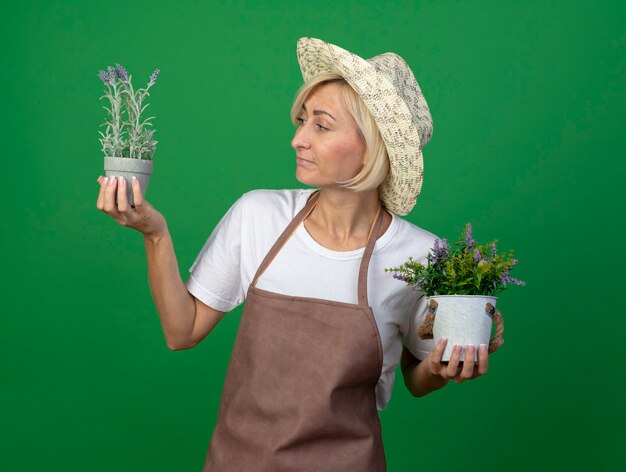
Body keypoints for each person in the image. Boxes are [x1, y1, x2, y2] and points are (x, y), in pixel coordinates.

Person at [96, 37, 498, 472]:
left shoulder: (422, 254)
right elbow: (182, 331)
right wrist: (156, 235)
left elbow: (416, 381)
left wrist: (442, 368)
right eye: (301, 121)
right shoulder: (258, 215)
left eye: (321, 126)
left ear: (373, 145)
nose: (297, 139)